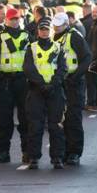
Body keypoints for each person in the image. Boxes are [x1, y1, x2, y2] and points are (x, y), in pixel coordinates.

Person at [0, 8, 33, 164]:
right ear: (6, 20)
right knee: (4, 120)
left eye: (17, 18)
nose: (15, 21)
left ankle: (27, 151)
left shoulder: (28, 37)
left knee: (25, 118)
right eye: (12, 19)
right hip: (5, 82)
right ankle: (4, 151)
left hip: (23, 82)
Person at [22, 18, 67, 169]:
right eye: (42, 29)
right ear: (38, 31)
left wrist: (52, 83)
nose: (44, 32)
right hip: (36, 90)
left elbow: (63, 69)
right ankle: (34, 157)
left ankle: (57, 157)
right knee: (35, 126)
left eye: (47, 29)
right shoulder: (32, 48)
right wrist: (41, 83)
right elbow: (28, 68)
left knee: (56, 126)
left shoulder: (58, 47)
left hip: (54, 90)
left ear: (51, 31)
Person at [50, 13, 91, 166]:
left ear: (67, 23)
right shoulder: (52, 37)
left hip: (73, 83)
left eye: (59, 24)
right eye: (55, 24)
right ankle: (62, 151)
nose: (56, 27)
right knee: (59, 120)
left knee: (73, 119)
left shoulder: (75, 36)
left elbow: (87, 58)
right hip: (58, 84)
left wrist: (75, 76)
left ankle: (74, 152)